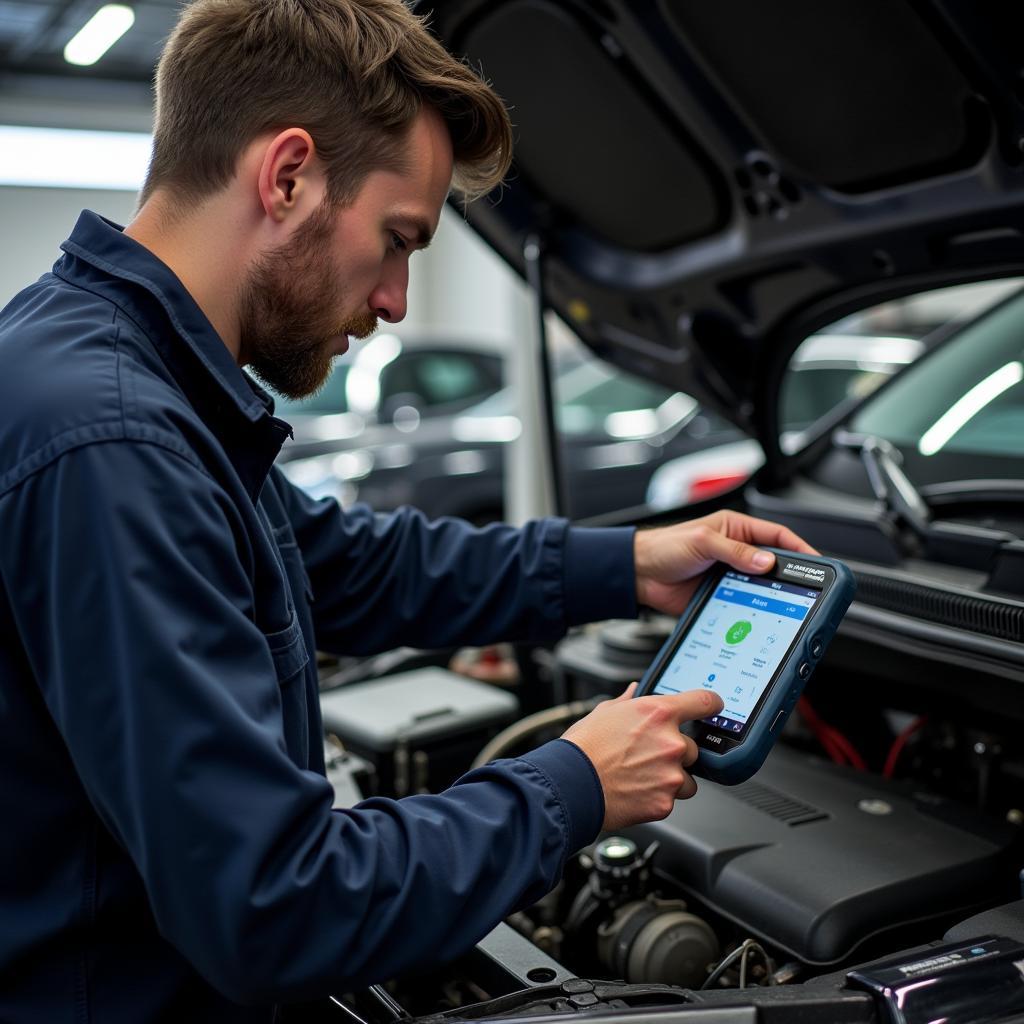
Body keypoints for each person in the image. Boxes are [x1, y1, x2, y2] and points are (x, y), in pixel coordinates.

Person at [0, 1, 814, 1020]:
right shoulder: (118, 441)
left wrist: (630, 563)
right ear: (286, 174)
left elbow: (345, 567)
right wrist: (573, 783)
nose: (394, 301)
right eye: (397, 240)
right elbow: (274, 908)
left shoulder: (120, 371)